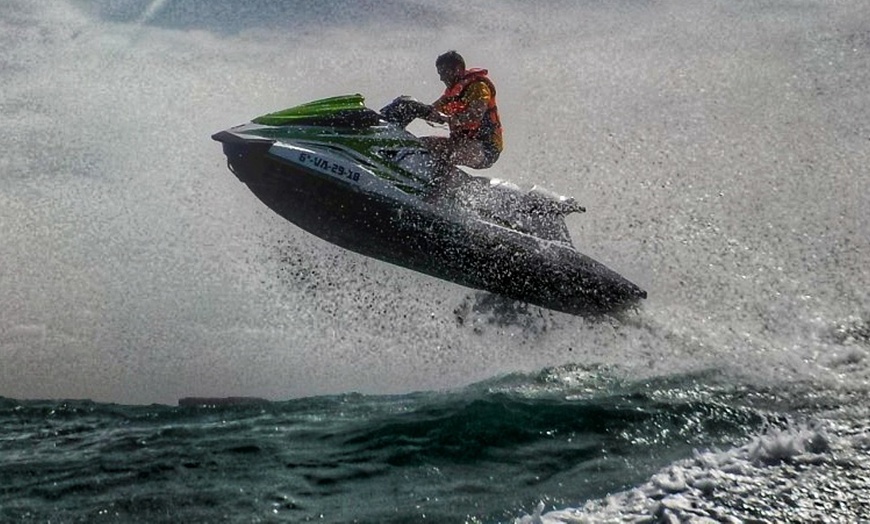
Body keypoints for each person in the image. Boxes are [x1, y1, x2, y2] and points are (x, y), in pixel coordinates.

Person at [420, 51, 503, 172]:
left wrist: (447, 118)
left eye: (444, 73)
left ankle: (442, 187)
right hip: (464, 143)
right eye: (440, 74)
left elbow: (476, 115)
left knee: (445, 151)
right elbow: (433, 109)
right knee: (421, 144)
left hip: (486, 148)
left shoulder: (478, 87)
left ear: (458, 69)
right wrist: (415, 108)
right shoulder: (452, 94)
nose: (441, 78)